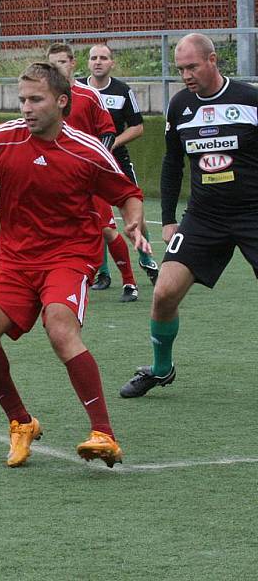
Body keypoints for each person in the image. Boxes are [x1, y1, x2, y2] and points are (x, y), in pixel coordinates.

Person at [0, 62, 150, 468]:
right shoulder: (0, 138)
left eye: (36, 99)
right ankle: (20, 422)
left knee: (60, 325)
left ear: (61, 102)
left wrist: (133, 220)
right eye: (22, 100)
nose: (26, 108)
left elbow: (128, 192)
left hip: (68, 256)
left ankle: (104, 433)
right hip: (15, 259)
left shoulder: (87, 150)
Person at [120, 33, 258, 398]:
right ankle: (161, 369)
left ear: (213, 60)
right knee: (164, 293)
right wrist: (167, 218)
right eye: (180, 68)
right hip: (204, 217)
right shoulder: (180, 106)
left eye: (192, 66)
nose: (185, 75)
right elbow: (171, 164)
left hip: (252, 213)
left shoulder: (250, 99)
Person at [47, 42, 141, 303]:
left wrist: (96, 162)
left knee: (107, 230)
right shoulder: (46, 99)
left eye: (62, 62)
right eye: (53, 64)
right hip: (57, 179)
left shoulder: (89, 95)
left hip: (87, 177)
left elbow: (108, 131)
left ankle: (130, 282)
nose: (58, 68)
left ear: (72, 63)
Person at [86, 43, 160, 288]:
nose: (98, 61)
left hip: (117, 162)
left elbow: (138, 127)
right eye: (94, 57)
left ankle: (147, 259)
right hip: (87, 165)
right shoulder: (78, 90)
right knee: (96, 218)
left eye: (103, 58)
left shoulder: (122, 91)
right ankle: (103, 273)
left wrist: (112, 143)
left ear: (111, 63)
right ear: (87, 63)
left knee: (133, 215)